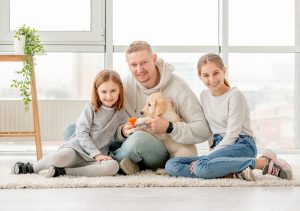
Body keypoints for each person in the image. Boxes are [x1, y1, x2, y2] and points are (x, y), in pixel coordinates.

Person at [64, 41, 211, 175]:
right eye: (134, 65)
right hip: (129, 140)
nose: (139, 69)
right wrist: (122, 131)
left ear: (154, 59)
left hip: (162, 149)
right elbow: (109, 121)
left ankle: (103, 162)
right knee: (73, 129)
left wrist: (170, 127)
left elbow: (203, 130)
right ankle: (111, 161)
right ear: (128, 66)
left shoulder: (179, 88)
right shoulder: (125, 85)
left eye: (144, 63)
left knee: (138, 140)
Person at [165, 53, 293, 181]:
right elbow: (211, 129)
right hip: (219, 148)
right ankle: (232, 172)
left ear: (224, 71)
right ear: (200, 76)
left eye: (216, 73)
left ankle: (263, 162)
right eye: (206, 75)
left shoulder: (235, 96)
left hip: (241, 145)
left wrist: (208, 157)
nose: (212, 79)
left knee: (200, 167)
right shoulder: (204, 95)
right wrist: (212, 153)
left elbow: (232, 134)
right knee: (171, 165)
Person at [11, 70, 128, 177]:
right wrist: (95, 153)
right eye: (104, 92)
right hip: (77, 149)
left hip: (97, 157)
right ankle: (32, 167)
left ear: (120, 90)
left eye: (113, 91)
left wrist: (125, 132)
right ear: (97, 92)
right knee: (59, 157)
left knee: (113, 167)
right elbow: (81, 132)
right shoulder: (91, 108)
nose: (108, 96)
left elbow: (118, 136)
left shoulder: (121, 114)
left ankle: (63, 171)